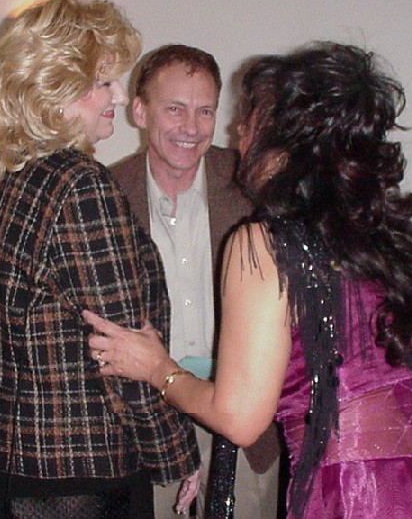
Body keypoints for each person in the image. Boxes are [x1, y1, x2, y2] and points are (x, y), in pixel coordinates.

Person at [84, 42, 412, 518]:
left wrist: (157, 368)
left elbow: (240, 420)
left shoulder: (264, 243)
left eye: (248, 121)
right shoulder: (399, 235)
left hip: (355, 495)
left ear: (282, 138)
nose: (237, 133)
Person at [0, 0, 199, 518]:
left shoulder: (2, 176)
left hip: (2, 456)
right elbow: (124, 348)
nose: (119, 95)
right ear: (55, 88)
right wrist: (178, 453)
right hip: (76, 470)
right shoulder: (80, 185)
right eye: (103, 82)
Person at [110, 44, 280, 519]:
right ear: (140, 112)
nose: (191, 127)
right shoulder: (107, 192)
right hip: (146, 425)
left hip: (237, 415)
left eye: (205, 111)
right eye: (175, 109)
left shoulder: (252, 184)